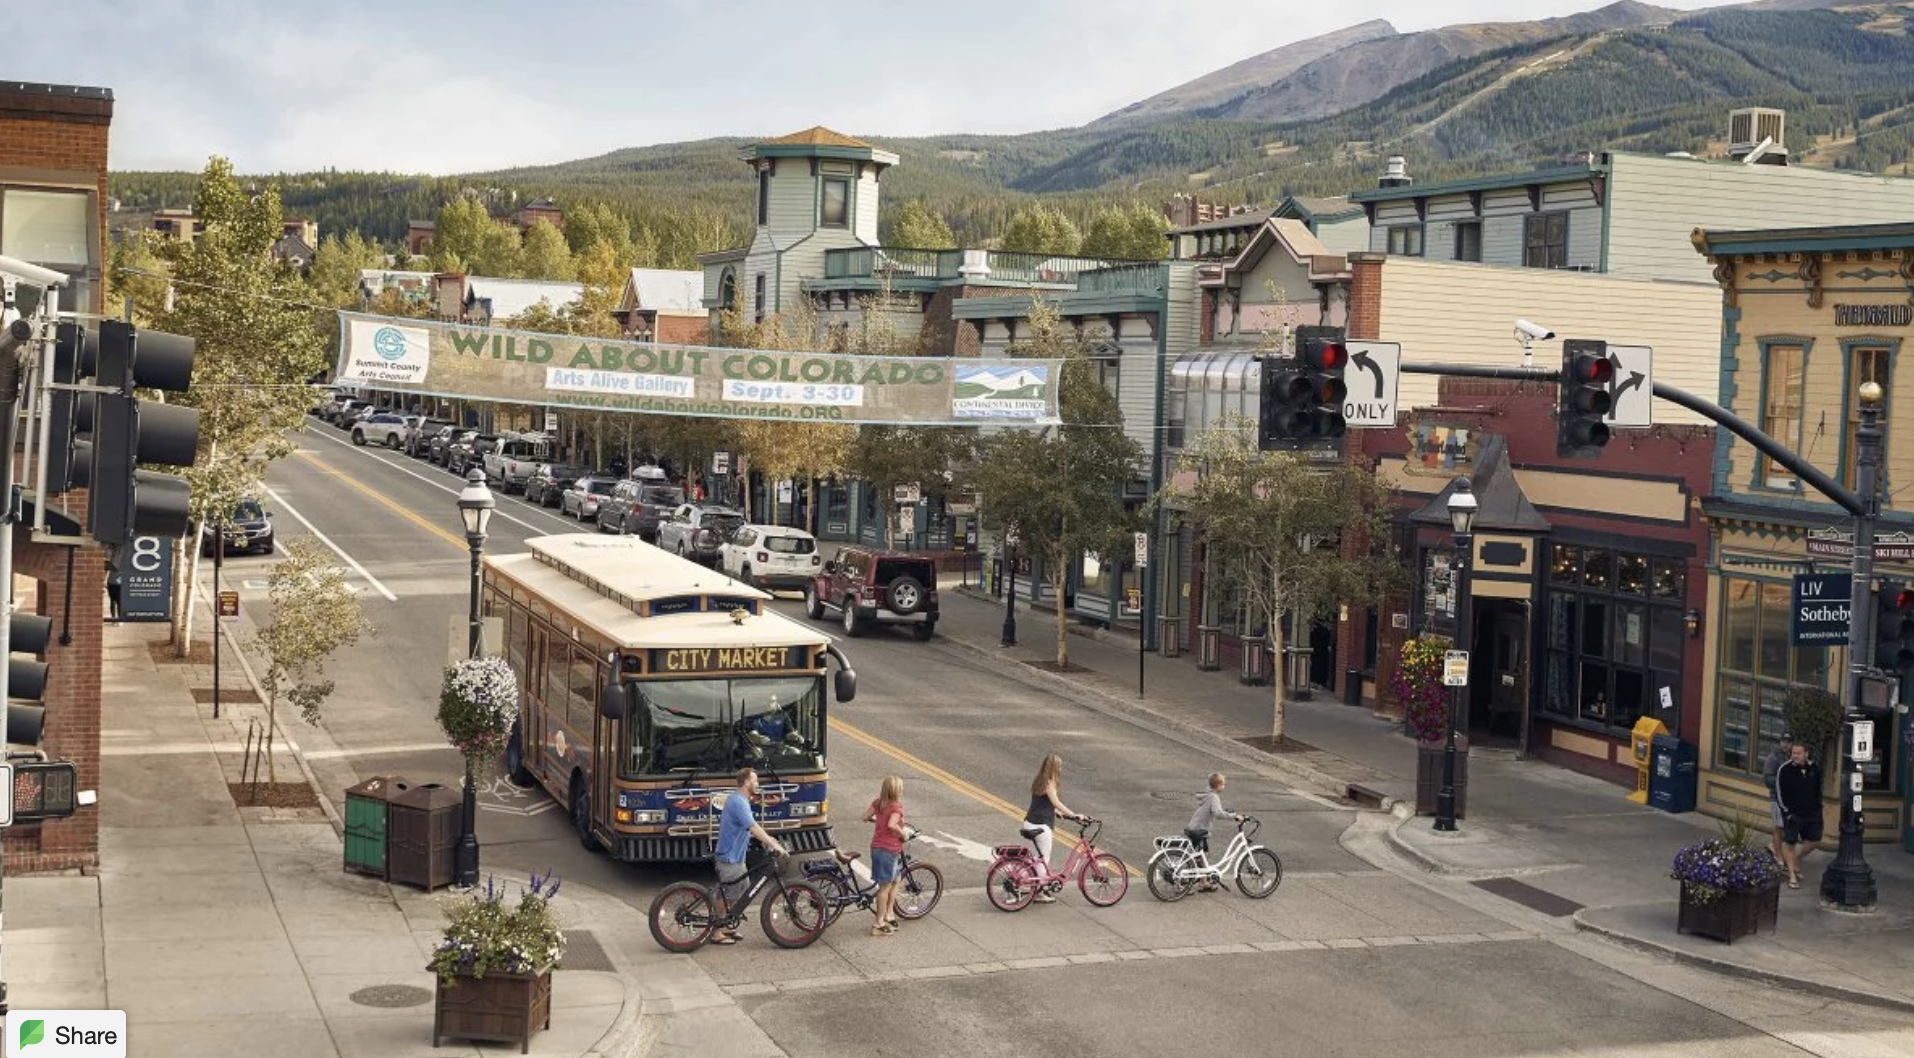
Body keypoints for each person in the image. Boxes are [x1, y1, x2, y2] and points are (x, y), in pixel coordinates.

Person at [712, 766, 787, 944]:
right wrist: (772, 844)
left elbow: (750, 828)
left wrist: (767, 839)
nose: (758, 783)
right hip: (729, 857)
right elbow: (753, 826)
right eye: (755, 780)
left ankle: (723, 926)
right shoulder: (738, 802)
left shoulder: (741, 800)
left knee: (742, 889)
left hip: (736, 857)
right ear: (746, 782)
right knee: (727, 895)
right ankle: (715, 931)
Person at [1021, 753, 1084, 903]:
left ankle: (1025, 880)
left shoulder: (1039, 780)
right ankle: (1039, 893)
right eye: (1059, 766)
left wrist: (1055, 813)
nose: (1061, 768)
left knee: (1037, 858)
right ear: (1053, 768)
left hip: (1030, 821)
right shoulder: (1049, 782)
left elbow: (1042, 803)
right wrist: (1073, 814)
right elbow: (1055, 801)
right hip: (1041, 825)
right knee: (1044, 859)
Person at [1775, 739, 1824, 889]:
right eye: (1793, 753)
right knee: (1790, 843)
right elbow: (1779, 793)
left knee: (1814, 841)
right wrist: (1787, 812)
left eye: (1798, 753)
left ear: (1806, 754)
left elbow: (1818, 789)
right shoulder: (1785, 769)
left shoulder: (1814, 768)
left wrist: (1818, 806)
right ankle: (1792, 875)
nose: (1795, 756)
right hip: (1793, 814)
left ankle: (1795, 860)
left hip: (1812, 813)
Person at [863, 775, 907, 936]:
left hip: (876, 847)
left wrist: (878, 821)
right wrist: (904, 834)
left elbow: (865, 817)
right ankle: (878, 923)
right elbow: (891, 824)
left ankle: (889, 912)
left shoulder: (878, 803)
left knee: (896, 879)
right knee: (884, 887)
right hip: (889, 849)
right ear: (897, 790)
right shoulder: (896, 807)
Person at [1186, 772, 1244, 892]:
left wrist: (1226, 812)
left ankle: (1203, 882)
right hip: (1199, 829)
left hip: (1196, 826)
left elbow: (1215, 810)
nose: (1224, 786)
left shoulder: (1207, 794)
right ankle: (1187, 883)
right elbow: (1217, 813)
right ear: (1217, 785)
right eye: (1223, 784)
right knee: (1199, 857)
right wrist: (1234, 816)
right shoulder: (1214, 797)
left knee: (1202, 856)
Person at [1762, 730, 1793, 862]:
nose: (1785, 745)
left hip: (1789, 800)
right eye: (1783, 742)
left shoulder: (1792, 757)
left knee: (1787, 828)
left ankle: (1775, 848)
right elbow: (1767, 779)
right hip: (1777, 798)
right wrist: (1783, 781)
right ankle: (1778, 856)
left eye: (1788, 742)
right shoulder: (1773, 757)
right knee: (1779, 827)